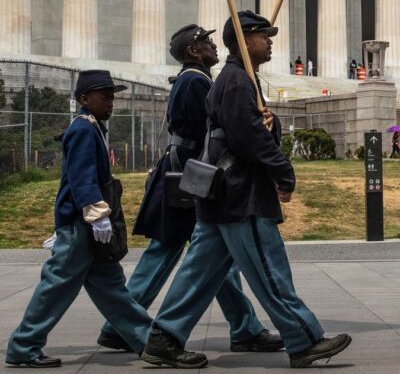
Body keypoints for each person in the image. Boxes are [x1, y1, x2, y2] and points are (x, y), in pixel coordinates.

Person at [142, 11, 351, 369]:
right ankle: (303, 339)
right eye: (262, 35)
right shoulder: (238, 80)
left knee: (198, 273)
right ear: (243, 41)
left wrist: (271, 124)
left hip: (220, 195)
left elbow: (247, 128)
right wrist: (284, 172)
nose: (269, 41)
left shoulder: (235, 79)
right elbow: (247, 137)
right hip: (241, 194)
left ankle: (164, 337)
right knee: (270, 269)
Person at [98, 25, 280, 354]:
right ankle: (242, 328)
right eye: (206, 43)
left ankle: (243, 326)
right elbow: (211, 129)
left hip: (184, 172)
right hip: (190, 176)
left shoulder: (191, 79)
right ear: (194, 51)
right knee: (187, 253)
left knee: (206, 256)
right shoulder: (196, 81)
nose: (213, 46)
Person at [6, 70, 153, 367]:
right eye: (104, 97)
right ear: (85, 99)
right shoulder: (84, 129)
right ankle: (24, 345)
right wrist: (96, 215)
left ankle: (148, 340)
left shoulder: (91, 126)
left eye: (112, 97)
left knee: (112, 287)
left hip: (86, 223)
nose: (111, 102)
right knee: (57, 284)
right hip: (83, 224)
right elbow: (81, 177)